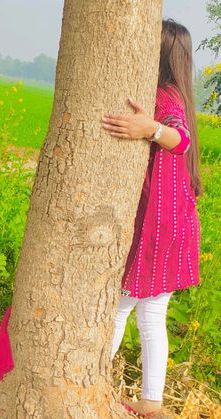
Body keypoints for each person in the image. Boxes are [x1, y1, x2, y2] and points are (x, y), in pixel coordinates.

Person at [101, 18, 203, 417]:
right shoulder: (179, 94)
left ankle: (99, 382)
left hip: (158, 229)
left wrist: (151, 127)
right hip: (172, 224)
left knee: (123, 308)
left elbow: (181, 138)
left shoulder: (165, 97)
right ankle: (151, 402)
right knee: (146, 313)